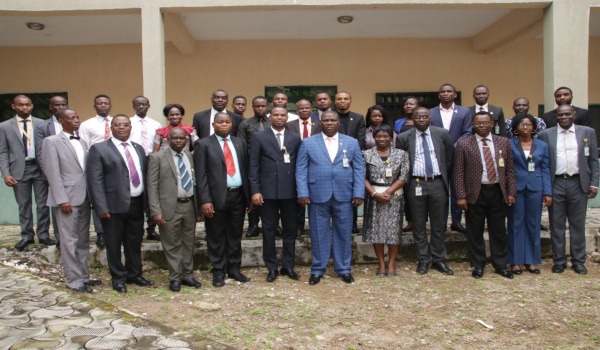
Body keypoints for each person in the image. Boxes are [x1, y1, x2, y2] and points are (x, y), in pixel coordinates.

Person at [86, 115, 154, 293]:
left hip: (137, 203)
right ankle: (118, 278)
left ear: (131, 127)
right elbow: (95, 181)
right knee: (114, 244)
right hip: (112, 206)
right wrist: (101, 207)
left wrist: (147, 203)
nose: (122, 127)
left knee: (134, 241)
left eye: (125, 125)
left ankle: (135, 274)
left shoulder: (138, 149)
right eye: (117, 125)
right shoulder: (99, 149)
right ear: (111, 127)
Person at [296, 110, 365, 285]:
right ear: (320, 122)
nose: (329, 123)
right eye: (325, 120)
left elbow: (358, 169)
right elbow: (301, 170)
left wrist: (358, 192)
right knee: (319, 233)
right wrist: (302, 192)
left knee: (343, 232)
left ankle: (343, 269)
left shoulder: (352, 142)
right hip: (317, 195)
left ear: (338, 123)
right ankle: (318, 268)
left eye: (332, 120)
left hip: (345, 194)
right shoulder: (308, 143)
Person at [43, 108, 101, 293]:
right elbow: (52, 172)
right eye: (71, 118)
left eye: (77, 117)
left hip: (84, 197)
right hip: (67, 199)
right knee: (69, 241)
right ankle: (73, 281)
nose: (76, 120)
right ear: (60, 120)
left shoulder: (82, 141)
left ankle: (84, 276)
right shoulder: (51, 141)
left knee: (83, 240)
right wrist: (61, 198)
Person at [454, 112, 517, 279]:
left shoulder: (503, 142)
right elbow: (459, 172)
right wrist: (461, 195)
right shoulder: (463, 144)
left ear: (492, 124)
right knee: (474, 231)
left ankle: (501, 265)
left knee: (498, 231)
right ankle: (478, 265)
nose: (481, 126)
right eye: (478, 123)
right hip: (475, 192)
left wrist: (511, 192)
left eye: (485, 123)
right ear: (473, 125)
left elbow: (510, 169)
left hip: (498, 191)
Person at [538, 105, 599, 275]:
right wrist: (545, 189)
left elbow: (593, 160)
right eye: (560, 114)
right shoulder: (545, 135)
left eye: (567, 114)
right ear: (556, 117)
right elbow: (542, 163)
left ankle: (578, 261)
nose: (564, 117)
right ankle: (559, 260)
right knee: (556, 224)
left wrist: (594, 183)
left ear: (574, 115)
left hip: (578, 183)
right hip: (555, 182)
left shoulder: (587, 132)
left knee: (577, 224)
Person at [194, 112, 252, 287]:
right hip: (215, 197)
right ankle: (218, 271)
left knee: (235, 235)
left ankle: (234, 269)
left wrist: (249, 196)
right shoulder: (203, 144)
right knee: (216, 236)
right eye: (220, 122)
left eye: (227, 122)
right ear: (213, 124)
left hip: (238, 195)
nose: (224, 125)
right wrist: (205, 200)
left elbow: (246, 169)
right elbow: (201, 175)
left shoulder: (240, 143)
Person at [397, 107, 455, 275]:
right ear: (412, 119)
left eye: (425, 116)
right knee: (419, 225)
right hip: (416, 184)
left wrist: (442, 176)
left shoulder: (442, 133)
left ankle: (439, 260)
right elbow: (402, 161)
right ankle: (423, 259)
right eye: (418, 117)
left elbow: (449, 157)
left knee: (438, 225)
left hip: (437, 183)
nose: (421, 119)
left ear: (430, 118)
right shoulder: (404, 137)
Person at [249, 107, 302, 282]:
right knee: (269, 231)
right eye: (276, 115)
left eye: (283, 115)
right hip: (267, 193)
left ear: (288, 117)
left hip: (290, 192)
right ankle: (271, 268)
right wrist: (255, 190)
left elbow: (299, 166)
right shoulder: (259, 136)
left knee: (290, 231)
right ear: (270, 117)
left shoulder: (295, 137)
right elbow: (254, 165)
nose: (279, 118)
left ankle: (288, 266)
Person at [147, 127, 202, 292]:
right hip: (169, 207)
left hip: (190, 205)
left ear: (186, 140)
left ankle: (188, 275)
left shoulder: (190, 156)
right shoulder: (157, 157)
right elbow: (152, 185)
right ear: (168, 140)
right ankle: (175, 277)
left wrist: (198, 206)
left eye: (181, 138)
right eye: (175, 138)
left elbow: (194, 181)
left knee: (188, 242)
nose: (178, 141)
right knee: (171, 244)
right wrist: (155, 211)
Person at [0, 95, 54, 251]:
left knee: (43, 204)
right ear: (13, 106)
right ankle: (27, 236)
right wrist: (5, 173)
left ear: (32, 106)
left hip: (39, 168)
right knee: (24, 205)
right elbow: (3, 151)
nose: (24, 108)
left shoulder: (41, 124)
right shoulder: (5, 126)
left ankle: (43, 234)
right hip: (19, 169)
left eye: (27, 105)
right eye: (20, 105)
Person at [507, 114, 552, 275]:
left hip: (536, 187)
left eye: (528, 124)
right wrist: (509, 190)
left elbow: (545, 169)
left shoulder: (542, 145)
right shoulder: (509, 144)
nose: (525, 127)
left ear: (534, 127)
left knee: (533, 224)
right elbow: (506, 169)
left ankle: (532, 261)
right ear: (515, 128)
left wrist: (547, 192)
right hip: (516, 189)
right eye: (521, 124)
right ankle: (515, 261)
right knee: (515, 224)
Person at [363, 124, 409, 276]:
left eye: (385, 136)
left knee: (393, 231)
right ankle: (381, 263)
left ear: (391, 138)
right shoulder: (366, 154)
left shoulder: (402, 154)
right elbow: (362, 177)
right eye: (378, 136)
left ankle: (391, 263)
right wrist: (375, 194)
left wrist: (388, 192)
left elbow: (404, 176)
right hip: (374, 196)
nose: (382, 139)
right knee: (377, 231)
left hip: (394, 196)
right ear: (373, 138)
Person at [430, 83, 472, 234]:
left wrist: (453, 146)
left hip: (458, 156)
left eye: (449, 91)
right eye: (443, 91)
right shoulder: (431, 113)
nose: (446, 93)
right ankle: (440, 222)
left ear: (455, 95)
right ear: (439, 95)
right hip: (437, 157)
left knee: (457, 189)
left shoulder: (464, 112)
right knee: (440, 191)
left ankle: (456, 222)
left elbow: (468, 132)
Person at [79, 94, 113, 248]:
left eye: (106, 103)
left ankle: (112, 230)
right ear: (95, 106)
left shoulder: (117, 122)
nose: (103, 106)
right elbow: (84, 147)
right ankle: (100, 233)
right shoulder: (87, 125)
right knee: (97, 198)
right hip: (96, 163)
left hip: (114, 164)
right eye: (99, 103)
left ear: (110, 105)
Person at [35, 95, 69, 246]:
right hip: (50, 172)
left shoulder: (77, 124)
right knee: (53, 203)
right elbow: (40, 153)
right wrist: (49, 174)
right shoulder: (42, 127)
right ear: (50, 107)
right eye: (57, 105)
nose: (60, 107)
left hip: (69, 172)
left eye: (63, 104)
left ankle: (67, 235)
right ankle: (56, 236)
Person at [286, 99, 321, 236]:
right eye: (301, 108)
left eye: (307, 107)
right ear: (297, 111)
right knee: (299, 196)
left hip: (315, 164)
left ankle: (315, 226)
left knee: (315, 196)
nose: (304, 110)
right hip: (295, 164)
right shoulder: (289, 125)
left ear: (311, 110)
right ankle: (298, 226)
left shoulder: (319, 125)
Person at [129, 96, 162, 242]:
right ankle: (137, 228)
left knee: (151, 193)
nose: (140, 107)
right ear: (133, 106)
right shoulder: (128, 123)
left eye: (143, 104)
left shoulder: (156, 124)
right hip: (133, 160)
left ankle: (151, 229)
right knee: (137, 192)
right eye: (137, 104)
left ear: (148, 106)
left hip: (151, 159)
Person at [238, 96, 271, 238]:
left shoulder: (272, 123)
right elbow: (241, 146)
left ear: (267, 106)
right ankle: (253, 225)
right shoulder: (245, 124)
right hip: (251, 165)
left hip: (270, 165)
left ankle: (271, 225)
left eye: (263, 106)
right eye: (257, 106)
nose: (260, 108)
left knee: (269, 197)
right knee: (253, 196)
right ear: (253, 107)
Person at [335, 91, 366, 234]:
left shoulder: (358, 117)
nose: (342, 101)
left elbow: (361, 140)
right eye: (339, 99)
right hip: (334, 161)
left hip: (352, 160)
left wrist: (349, 153)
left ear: (350, 101)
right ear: (335, 101)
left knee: (351, 193)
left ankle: (352, 224)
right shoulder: (331, 117)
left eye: (345, 98)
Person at [395, 96, 419, 232]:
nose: (408, 106)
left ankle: (420, 221)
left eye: (411, 103)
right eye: (406, 104)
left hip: (419, 159)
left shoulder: (422, 120)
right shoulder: (399, 122)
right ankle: (410, 221)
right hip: (404, 158)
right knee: (407, 193)